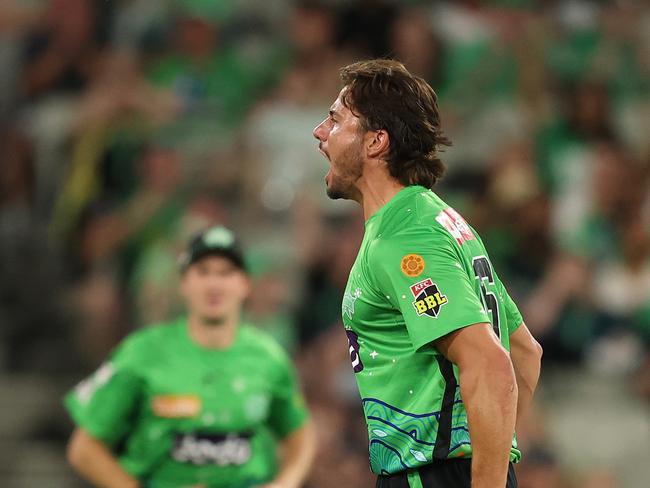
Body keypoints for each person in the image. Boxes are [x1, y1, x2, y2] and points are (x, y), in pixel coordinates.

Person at [312, 59, 543, 488]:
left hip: (430, 475)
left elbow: (493, 365)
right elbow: (524, 353)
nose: (319, 132)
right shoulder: (443, 222)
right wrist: (491, 457)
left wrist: (482, 471)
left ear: (376, 142)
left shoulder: (406, 238)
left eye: (335, 119)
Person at [64, 225, 316, 488]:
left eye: (226, 272)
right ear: (184, 283)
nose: (214, 283)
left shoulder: (269, 358)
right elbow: (84, 449)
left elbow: (300, 434)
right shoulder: (141, 353)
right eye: (203, 271)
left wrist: (286, 482)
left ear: (244, 284)